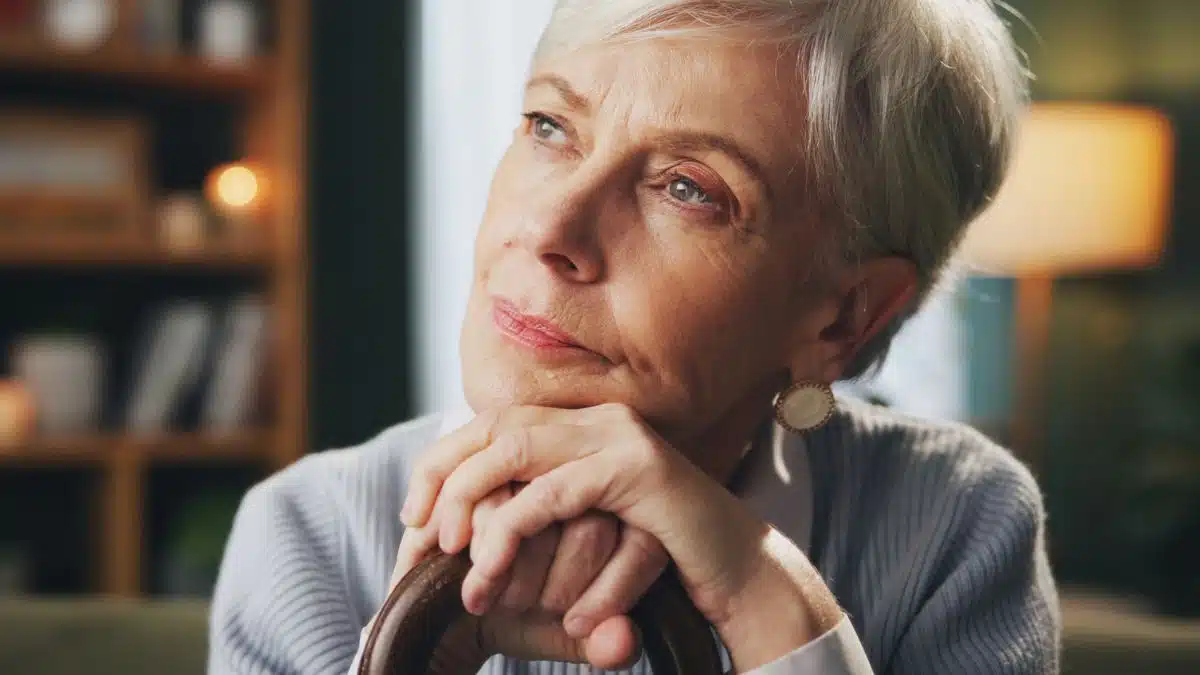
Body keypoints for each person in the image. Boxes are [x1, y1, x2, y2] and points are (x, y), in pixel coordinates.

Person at [209, 1, 1060, 673]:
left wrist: (773, 606)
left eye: (688, 188)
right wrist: (409, 649)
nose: (550, 228)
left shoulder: (953, 528)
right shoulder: (310, 535)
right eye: (550, 126)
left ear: (845, 315)